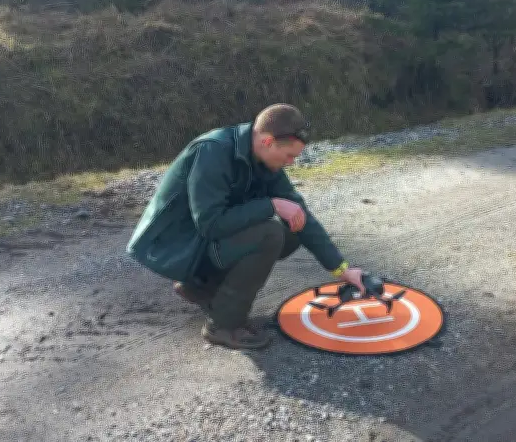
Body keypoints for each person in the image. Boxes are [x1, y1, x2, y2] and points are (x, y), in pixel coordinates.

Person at [126, 103, 365, 349]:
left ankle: (201, 287)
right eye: (290, 156)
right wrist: (270, 205)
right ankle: (223, 324)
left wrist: (341, 269)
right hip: (179, 247)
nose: (291, 163)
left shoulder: (264, 161)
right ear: (268, 141)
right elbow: (210, 224)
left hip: (204, 242)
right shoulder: (213, 151)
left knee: (293, 228)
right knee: (269, 234)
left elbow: (301, 214)